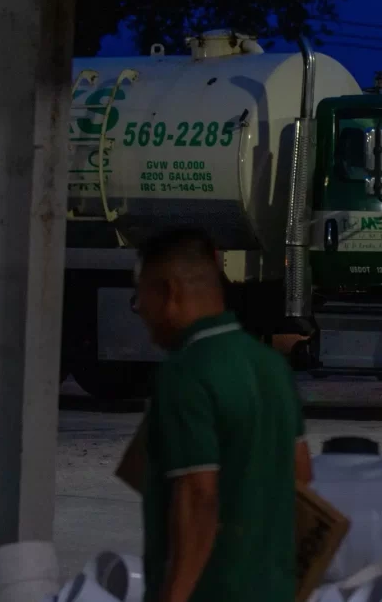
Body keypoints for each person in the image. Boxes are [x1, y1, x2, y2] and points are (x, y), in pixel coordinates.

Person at [131, 226, 312, 602]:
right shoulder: (272, 367)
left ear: (169, 293)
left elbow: (198, 497)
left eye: (141, 296)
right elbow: (301, 476)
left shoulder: (184, 374)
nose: (140, 310)